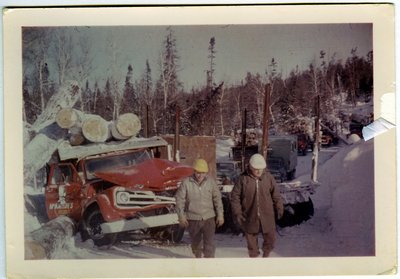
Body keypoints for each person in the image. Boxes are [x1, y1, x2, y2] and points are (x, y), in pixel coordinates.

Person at [230, 153, 284, 258]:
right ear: (250, 167)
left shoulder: (269, 178)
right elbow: (235, 197)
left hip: (267, 216)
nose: (259, 171)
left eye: (261, 169)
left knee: (271, 240)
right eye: (256, 169)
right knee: (252, 246)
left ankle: (266, 255)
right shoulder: (243, 179)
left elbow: (276, 195)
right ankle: (254, 261)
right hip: (249, 216)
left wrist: (279, 207)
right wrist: (238, 212)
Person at [175, 158, 224, 258]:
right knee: (196, 245)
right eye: (198, 172)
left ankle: (208, 264)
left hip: (209, 218)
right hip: (193, 219)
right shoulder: (186, 183)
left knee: (209, 244)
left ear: (206, 172)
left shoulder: (211, 182)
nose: (200, 175)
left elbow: (217, 199)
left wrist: (220, 215)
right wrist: (181, 216)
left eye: (202, 173)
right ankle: (198, 260)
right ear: (194, 171)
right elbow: (180, 200)